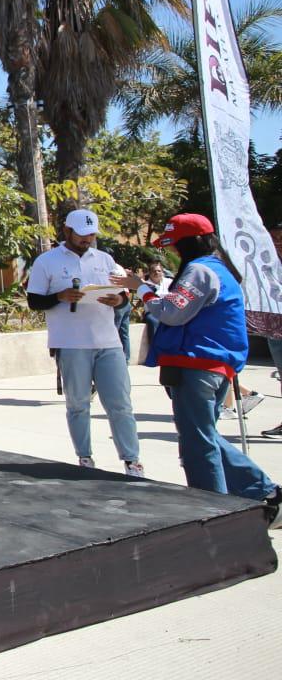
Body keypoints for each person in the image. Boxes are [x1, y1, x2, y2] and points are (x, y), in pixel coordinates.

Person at [113, 214, 282, 522]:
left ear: (188, 244)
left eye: (175, 246)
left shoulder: (200, 270)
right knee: (203, 436)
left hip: (198, 366)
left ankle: (214, 512)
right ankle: (262, 491)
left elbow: (171, 313)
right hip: (207, 366)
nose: (173, 253)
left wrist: (142, 289)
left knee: (198, 445)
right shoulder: (216, 269)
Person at [26, 209, 144, 477]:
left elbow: (124, 294)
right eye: (81, 235)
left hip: (108, 341)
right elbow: (34, 301)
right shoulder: (47, 261)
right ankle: (85, 457)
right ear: (66, 231)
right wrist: (60, 296)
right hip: (71, 343)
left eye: (91, 234)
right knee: (78, 403)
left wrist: (119, 300)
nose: (87, 239)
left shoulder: (105, 259)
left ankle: (132, 460)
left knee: (120, 403)